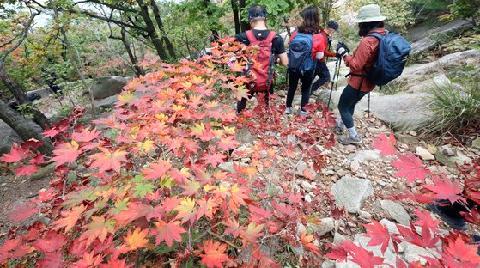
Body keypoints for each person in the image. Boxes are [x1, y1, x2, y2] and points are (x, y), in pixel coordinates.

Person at [335, 4, 386, 144]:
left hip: (358, 82)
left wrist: (344, 54)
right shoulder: (383, 36)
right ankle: (340, 125)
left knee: (342, 106)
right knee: (350, 104)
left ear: (365, 23)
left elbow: (356, 65)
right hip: (370, 81)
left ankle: (353, 136)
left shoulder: (368, 41)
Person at [235, 5, 288, 114]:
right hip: (266, 81)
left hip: (247, 80)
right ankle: (266, 121)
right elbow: (285, 62)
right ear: (265, 19)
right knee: (265, 107)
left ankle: (241, 119)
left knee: (241, 106)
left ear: (250, 19)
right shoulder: (276, 38)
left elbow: (228, 58)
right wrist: (276, 60)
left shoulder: (240, 37)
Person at [285, 6, 326, 116]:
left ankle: (288, 108)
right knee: (306, 89)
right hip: (308, 67)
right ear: (316, 18)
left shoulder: (296, 32)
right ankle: (303, 111)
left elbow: (289, 46)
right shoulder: (318, 36)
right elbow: (319, 56)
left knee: (292, 87)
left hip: (293, 65)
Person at [311, 20, 339, 94]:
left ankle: (306, 91)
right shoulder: (323, 37)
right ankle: (310, 90)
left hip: (314, 59)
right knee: (326, 77)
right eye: (334, 30)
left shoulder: (321, 34)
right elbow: (323, 52)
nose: (334, 32)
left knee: (312, 76)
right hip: (319, 61)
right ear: (331, 29)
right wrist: (335, 54)